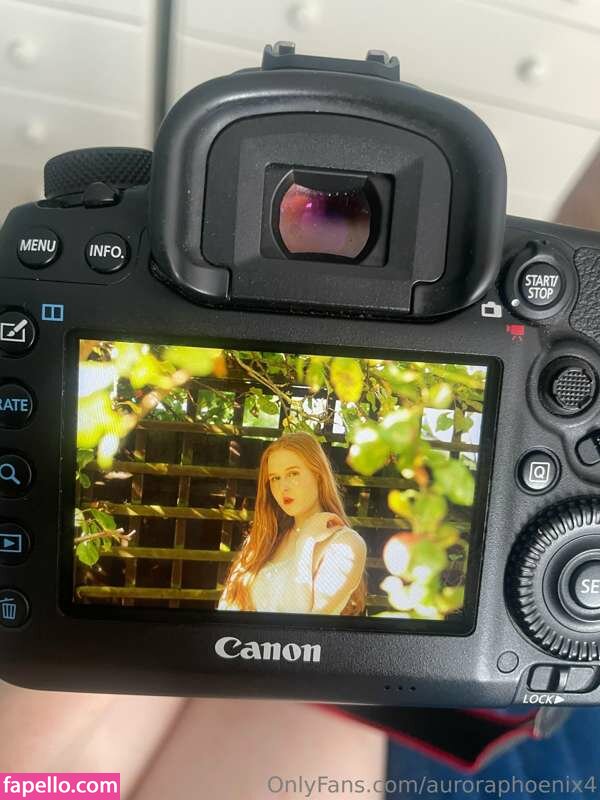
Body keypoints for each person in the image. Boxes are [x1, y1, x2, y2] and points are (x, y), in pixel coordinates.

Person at [218, 431, 367, 615]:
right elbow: (227, 608)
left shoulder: (345, 545)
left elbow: (303, 625)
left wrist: (306, 542)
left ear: (318, 474)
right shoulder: (264, 538)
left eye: (293, 473)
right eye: (275, 478)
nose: (283, 487)